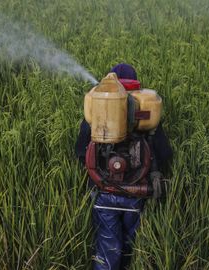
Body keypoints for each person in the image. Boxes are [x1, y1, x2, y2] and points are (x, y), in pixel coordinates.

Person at [75, 63, 173, 269]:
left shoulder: (96, 111)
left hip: (103, 193)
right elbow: (164, 154)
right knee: (130, 243)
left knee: (107, 246)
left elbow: (80, 152)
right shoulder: (145, 109)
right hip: (137, 194)